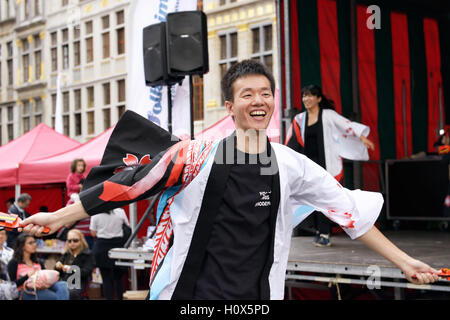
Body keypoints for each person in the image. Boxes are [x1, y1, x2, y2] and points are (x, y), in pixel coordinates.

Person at [20, 60, 439, 300]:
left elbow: (350, 213)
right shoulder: (193, 155)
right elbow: (128, 185)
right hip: (191, 297)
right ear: (230, 106)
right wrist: (59, 216)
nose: (259, 101)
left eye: (266, 93)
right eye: (247, 94)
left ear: (273, 102)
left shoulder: (292, 165)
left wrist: (404, 261)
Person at [285, 84, 375, 247]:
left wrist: (362, 137)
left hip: (327, 165)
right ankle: (320, 231)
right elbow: (293, 141)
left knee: (327, 199)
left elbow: (346, 125)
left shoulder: (328, 115)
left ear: (319, 99)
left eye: (311, 95)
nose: (306, 99)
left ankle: (326, 233)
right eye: (304, 95)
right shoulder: (299, 119)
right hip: (309, 166)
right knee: (312, 200)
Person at [7, 234, 69, 300]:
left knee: (63, 285)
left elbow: (47, 277)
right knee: (53, 296)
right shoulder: (14, 263)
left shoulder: (38, 261)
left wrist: (58, 269)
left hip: (42, 287)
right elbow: (12, 285)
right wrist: (27, 276)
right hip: (25, 290)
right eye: (30, 243)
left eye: (34, 242)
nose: (34, 244)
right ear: (22, 246)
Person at [90, 208, 129, 300]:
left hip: (102, 246)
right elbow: (127, 226)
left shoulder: (95, 213)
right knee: (118, 278)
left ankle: (109, 298)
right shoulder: (120, 211)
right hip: (118, 245)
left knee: (106, 278)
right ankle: (119, 298)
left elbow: (93, 233)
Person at [55, 229, 95, 300]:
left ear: (81, 240)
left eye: (75, 240)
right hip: (64, 281)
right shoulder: (66, 254)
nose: (72, 243)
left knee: (70, 292)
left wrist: (72, 269)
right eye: (69, 241)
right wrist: (57, 266)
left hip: (79, 282)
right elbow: (57, 272)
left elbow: (86, 272)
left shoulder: (87, 254)